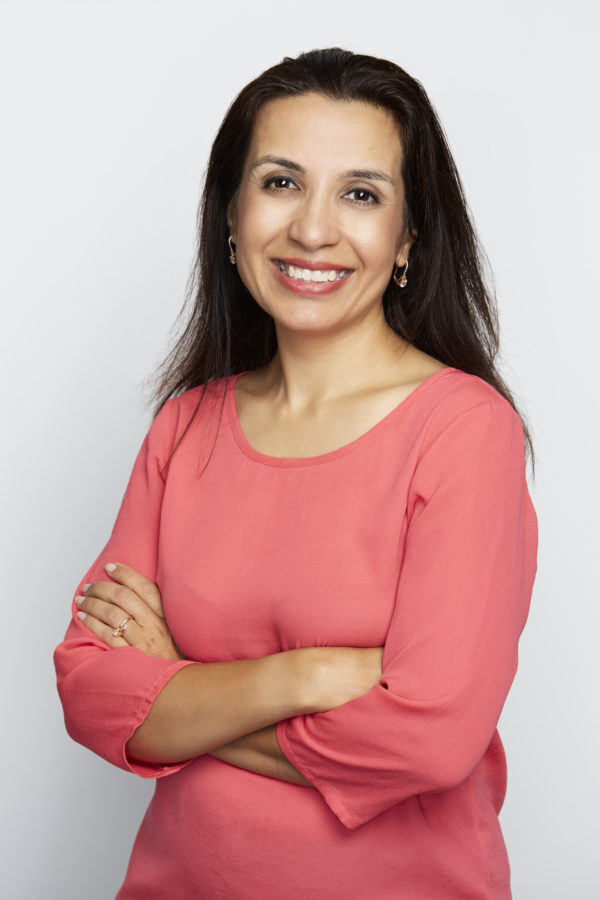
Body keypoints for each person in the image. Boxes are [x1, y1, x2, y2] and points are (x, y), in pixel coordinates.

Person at [54, 47, 537, 899]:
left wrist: (184, 689)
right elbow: (92, 690)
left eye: (361, 194)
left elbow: (429, 741)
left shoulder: (464, 430)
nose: (313, 230)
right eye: (281, 182)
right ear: (231, 216)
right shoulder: (184, 427)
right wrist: (302, 676)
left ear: (408, 237)